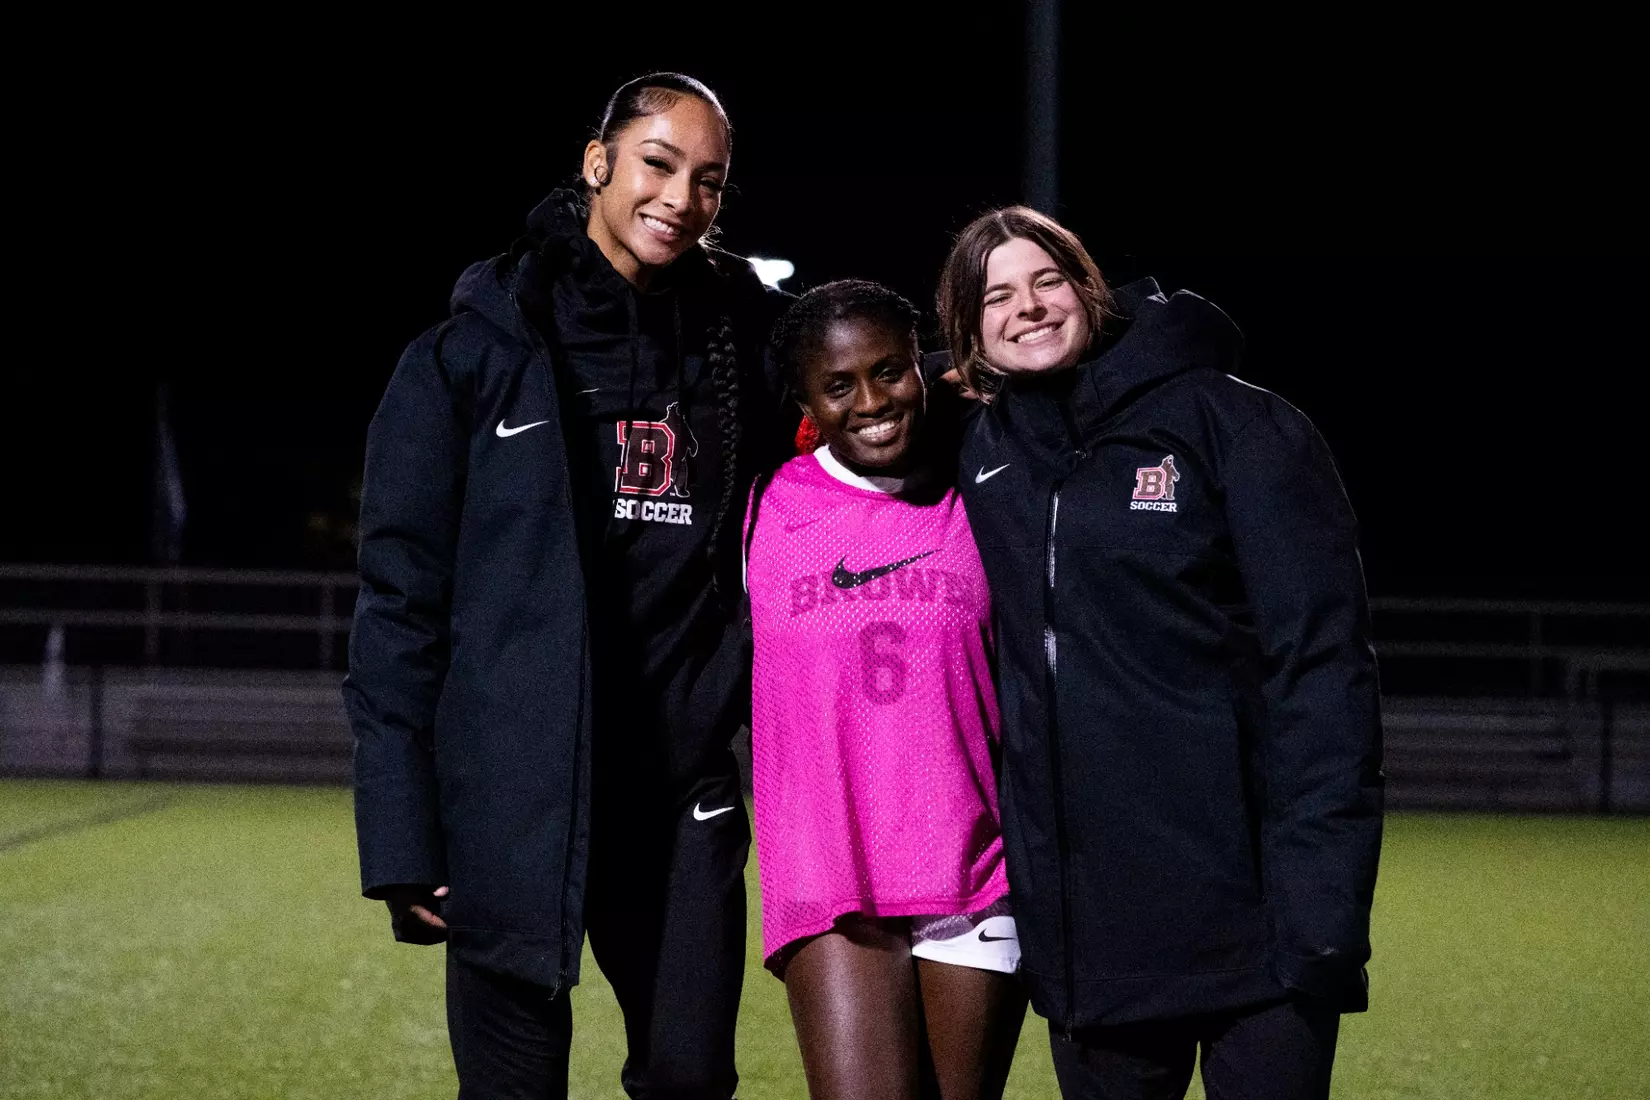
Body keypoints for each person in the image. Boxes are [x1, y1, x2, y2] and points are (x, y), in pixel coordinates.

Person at [343, 73, 790, 1100]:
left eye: (710, 181)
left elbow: (872, 372)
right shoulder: (468, 354)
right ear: (599, 162)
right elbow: (399, 609)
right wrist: (403, 833)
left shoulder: (746, 337)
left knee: (688, 1078)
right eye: (659, 164)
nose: (683, 197)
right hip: (510, 797)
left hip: (679, 797)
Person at [934, 207, 1383, 1100]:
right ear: (970, 334)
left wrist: (1323, 911)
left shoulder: (1231, 423)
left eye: (1046, 281)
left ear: (1088, 289)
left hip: (1255, 927)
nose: (1027, 308)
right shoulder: (987, 451)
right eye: (997, 297)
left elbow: (1324, 668)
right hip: (1093, 938)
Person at [743, 280, 1027, 1100]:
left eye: (890, 371)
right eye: (839, 385)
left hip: (977, 874)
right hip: (829, 879)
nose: (872, 401)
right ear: (806, 400)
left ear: (921, 368)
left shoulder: (984, 488)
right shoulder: (765, 506)